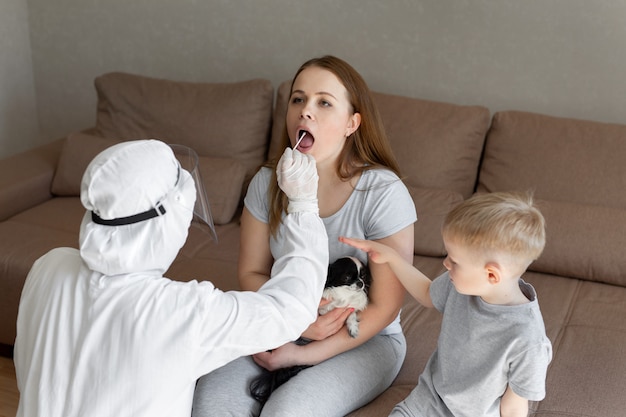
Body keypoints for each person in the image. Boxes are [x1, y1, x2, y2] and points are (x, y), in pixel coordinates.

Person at [13, 139, 329, 417]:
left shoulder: (49, 266)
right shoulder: (179, 311)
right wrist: (302, 205)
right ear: (168, 219)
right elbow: (292, 310)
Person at [192, 55, 416, 416]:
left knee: (288, 412)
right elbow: (252, 272)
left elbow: (385, 307)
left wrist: (302, 350)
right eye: (298, 99)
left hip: (364, 339)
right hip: (278, 320)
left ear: (351, 123)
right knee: (211, 406)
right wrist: (290, 323)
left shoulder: (383, 193)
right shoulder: (267, 183)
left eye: (324, 102)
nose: (305, 111)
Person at [340, 191, 553, 417]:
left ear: (491, 275)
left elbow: (513, 408)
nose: (445, 263)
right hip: (430, 400)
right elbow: (426, 292)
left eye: (455, 260)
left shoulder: (529, 342)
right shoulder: (462, 285)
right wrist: (392, 257)